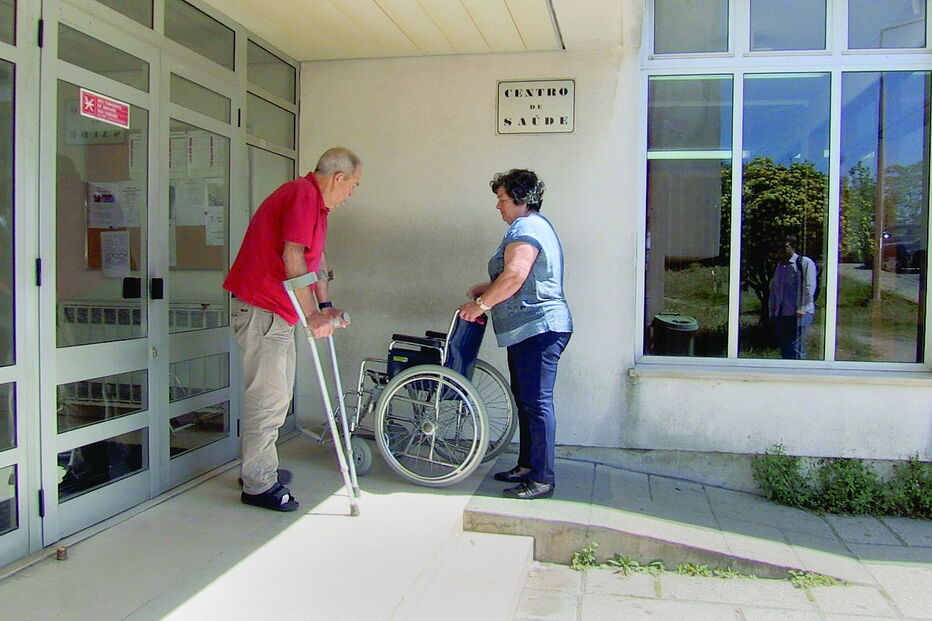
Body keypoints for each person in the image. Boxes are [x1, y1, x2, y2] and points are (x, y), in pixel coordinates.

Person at [224, 147, 361, 511]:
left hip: (277, 313)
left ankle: (258, 468)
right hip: (262, 309)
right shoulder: (302, 195)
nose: (352, 194)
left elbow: (317, 257)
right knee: (268, 399)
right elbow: (292, 257)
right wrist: (313, 315)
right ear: (338, 178)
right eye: (353, 186)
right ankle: (257, 484)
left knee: (277, 397)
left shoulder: (316, 204)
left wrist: (326, 306)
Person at [458, 169, 572, 500]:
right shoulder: (528, 227)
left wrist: (480, 304)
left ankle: (542, 478)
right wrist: (487, 288)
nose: (498, 206)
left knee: (537, 403)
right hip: (528, 329)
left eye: (502, 199)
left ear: (522, 200)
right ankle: (527, 465)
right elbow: (519, 278)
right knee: (526, 400)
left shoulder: (527, 228)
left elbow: (515, 276)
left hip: (540, 328)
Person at [769, 235, 817, 360]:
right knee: (785, 348)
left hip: (800, 313)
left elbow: (809, 287)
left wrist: (803, 307)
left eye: (784, 247)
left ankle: (800, 375)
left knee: (796, 347)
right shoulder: (780, 267)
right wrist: (772, 312)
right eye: (779, 247)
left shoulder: (804, 263)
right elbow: (775, 291)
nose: (781, 250)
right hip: (783, 313)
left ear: (793, 247)